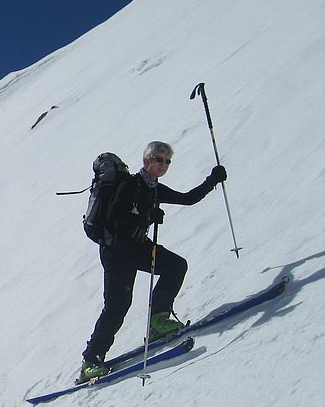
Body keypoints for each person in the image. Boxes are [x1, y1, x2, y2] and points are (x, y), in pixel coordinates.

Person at [79, 141, 228, 382]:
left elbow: (187, 199)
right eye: (159, 159)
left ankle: (158, 321)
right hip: (117, 252)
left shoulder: (154, 188)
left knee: (175, 266)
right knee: (118, 306)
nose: (163, 164)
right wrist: (147, 216)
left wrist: (212, 180)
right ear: (146, 161)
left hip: (138, 247)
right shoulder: (130, 185)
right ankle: (90, 360)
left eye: (167, 161)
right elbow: (116, 216)